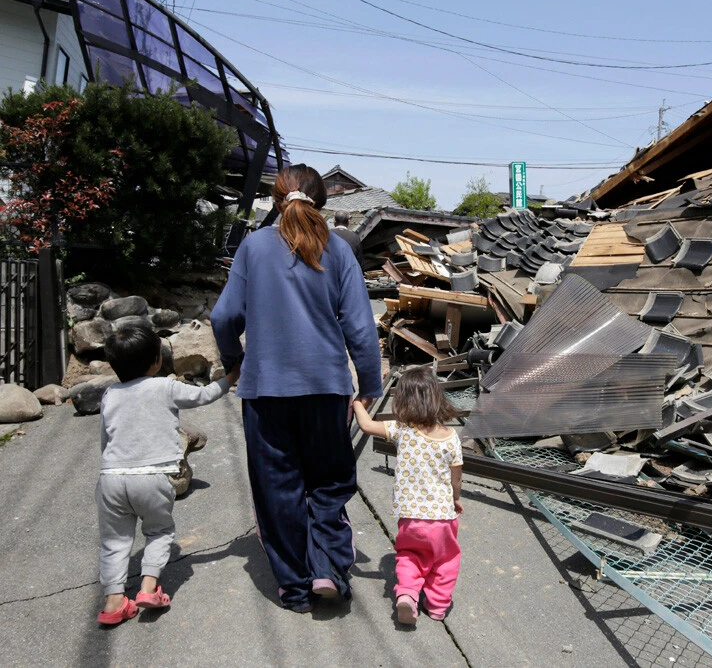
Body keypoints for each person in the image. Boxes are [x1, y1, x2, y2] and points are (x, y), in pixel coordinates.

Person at [210, 164, 382, 613]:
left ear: (276, 197)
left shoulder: (253, 246)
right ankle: (326, 567)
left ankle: (294, 585)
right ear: (321, 201)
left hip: (265, 392)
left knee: (276, 486)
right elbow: (361, 327)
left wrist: (235, 363)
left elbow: (223, 318)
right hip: (326, 389)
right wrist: (368, 384)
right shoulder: (339, 249)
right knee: (328, 481)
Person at [96, 326, 239, 626]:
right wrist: (229, 380)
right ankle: (148, 589)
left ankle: (113, 602)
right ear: (157, 361)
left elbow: (105, 440)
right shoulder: (165, 387)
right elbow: (204, 395)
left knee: (115, 540)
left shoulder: (110, 395)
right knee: (159, 531)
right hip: (152, 477)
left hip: (111, 477)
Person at [352, 366, 463, 626]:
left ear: (402, 400)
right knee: (445, 561)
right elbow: (455, 478)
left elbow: (366, 425)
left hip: (410, 519)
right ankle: (436, 606)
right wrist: (455, 498)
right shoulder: (451, 438)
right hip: (442, 518)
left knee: (410, 556)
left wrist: (358, 402)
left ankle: (407, 594)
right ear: (437, 397)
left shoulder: (403, 430)